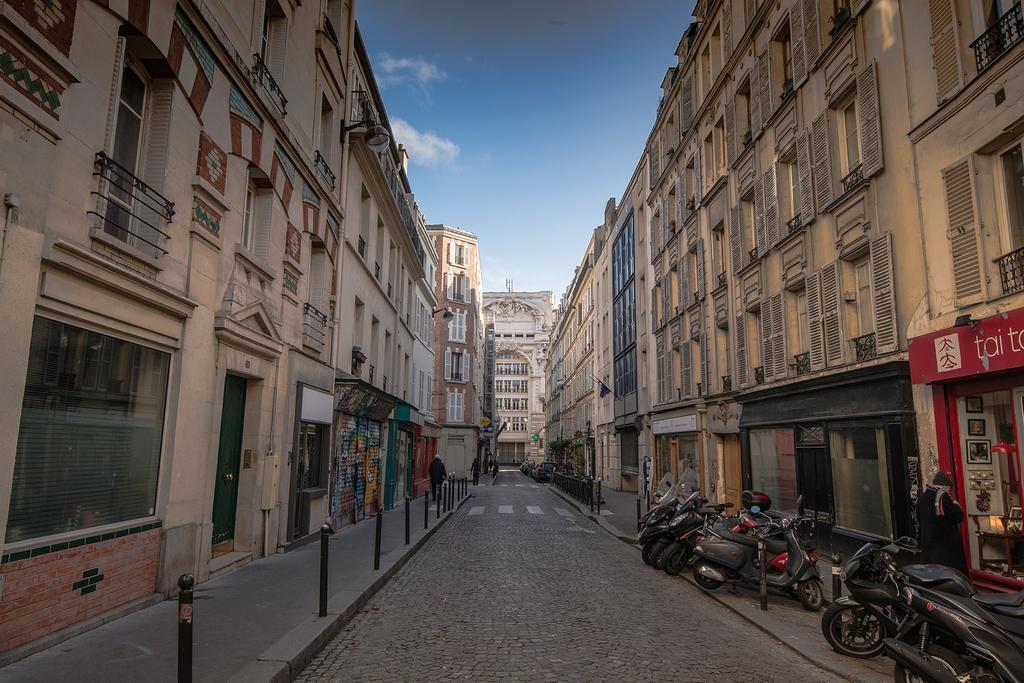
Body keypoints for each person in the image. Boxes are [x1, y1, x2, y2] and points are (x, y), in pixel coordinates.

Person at [918, 471, 968, 574]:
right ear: (945, 486)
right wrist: (956, 505)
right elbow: (958, 517)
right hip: (944, 543)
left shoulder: (923, 497)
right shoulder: (942, 496)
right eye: (949, 489)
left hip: (929, 542)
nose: (949, 492)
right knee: (950, 572)